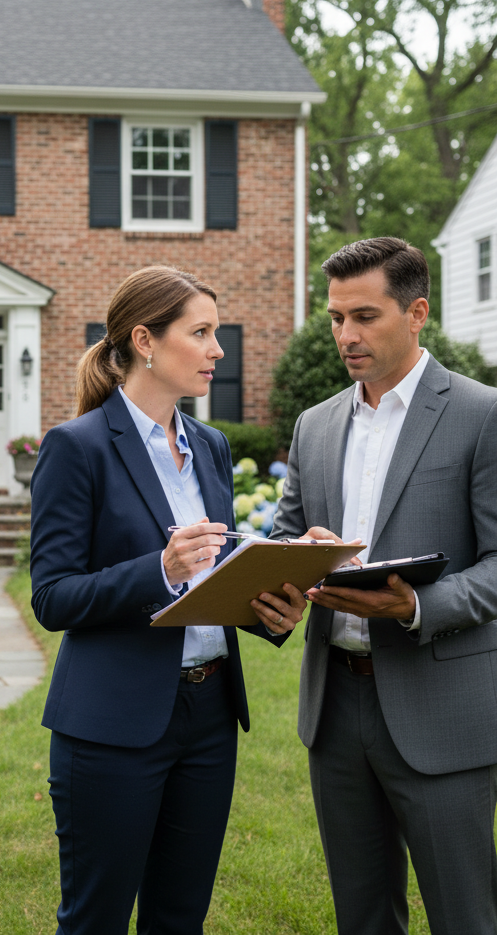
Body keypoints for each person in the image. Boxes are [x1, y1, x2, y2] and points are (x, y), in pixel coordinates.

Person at [30, 265, 306, 935]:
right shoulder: (78, 447)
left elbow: (208, 582)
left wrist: (271, 603)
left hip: (210, 717)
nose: (218, 350)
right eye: (203, 333)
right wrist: (157, 568)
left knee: (180, 918)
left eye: (217, 333)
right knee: (94, 920)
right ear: (145, 340)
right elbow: (53, 596)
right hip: (112, 726)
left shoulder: (210, 446)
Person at [269, 236, 497, 934]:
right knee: (362, 917)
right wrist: (286, 565)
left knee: (466, 916)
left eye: (365, 317)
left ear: (417, 311)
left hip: (442, 710)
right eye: (337, 318)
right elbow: (284, 537)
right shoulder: (315, 425)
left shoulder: (481, 415)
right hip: (334, 706)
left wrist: (419, 604)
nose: (346, 335)